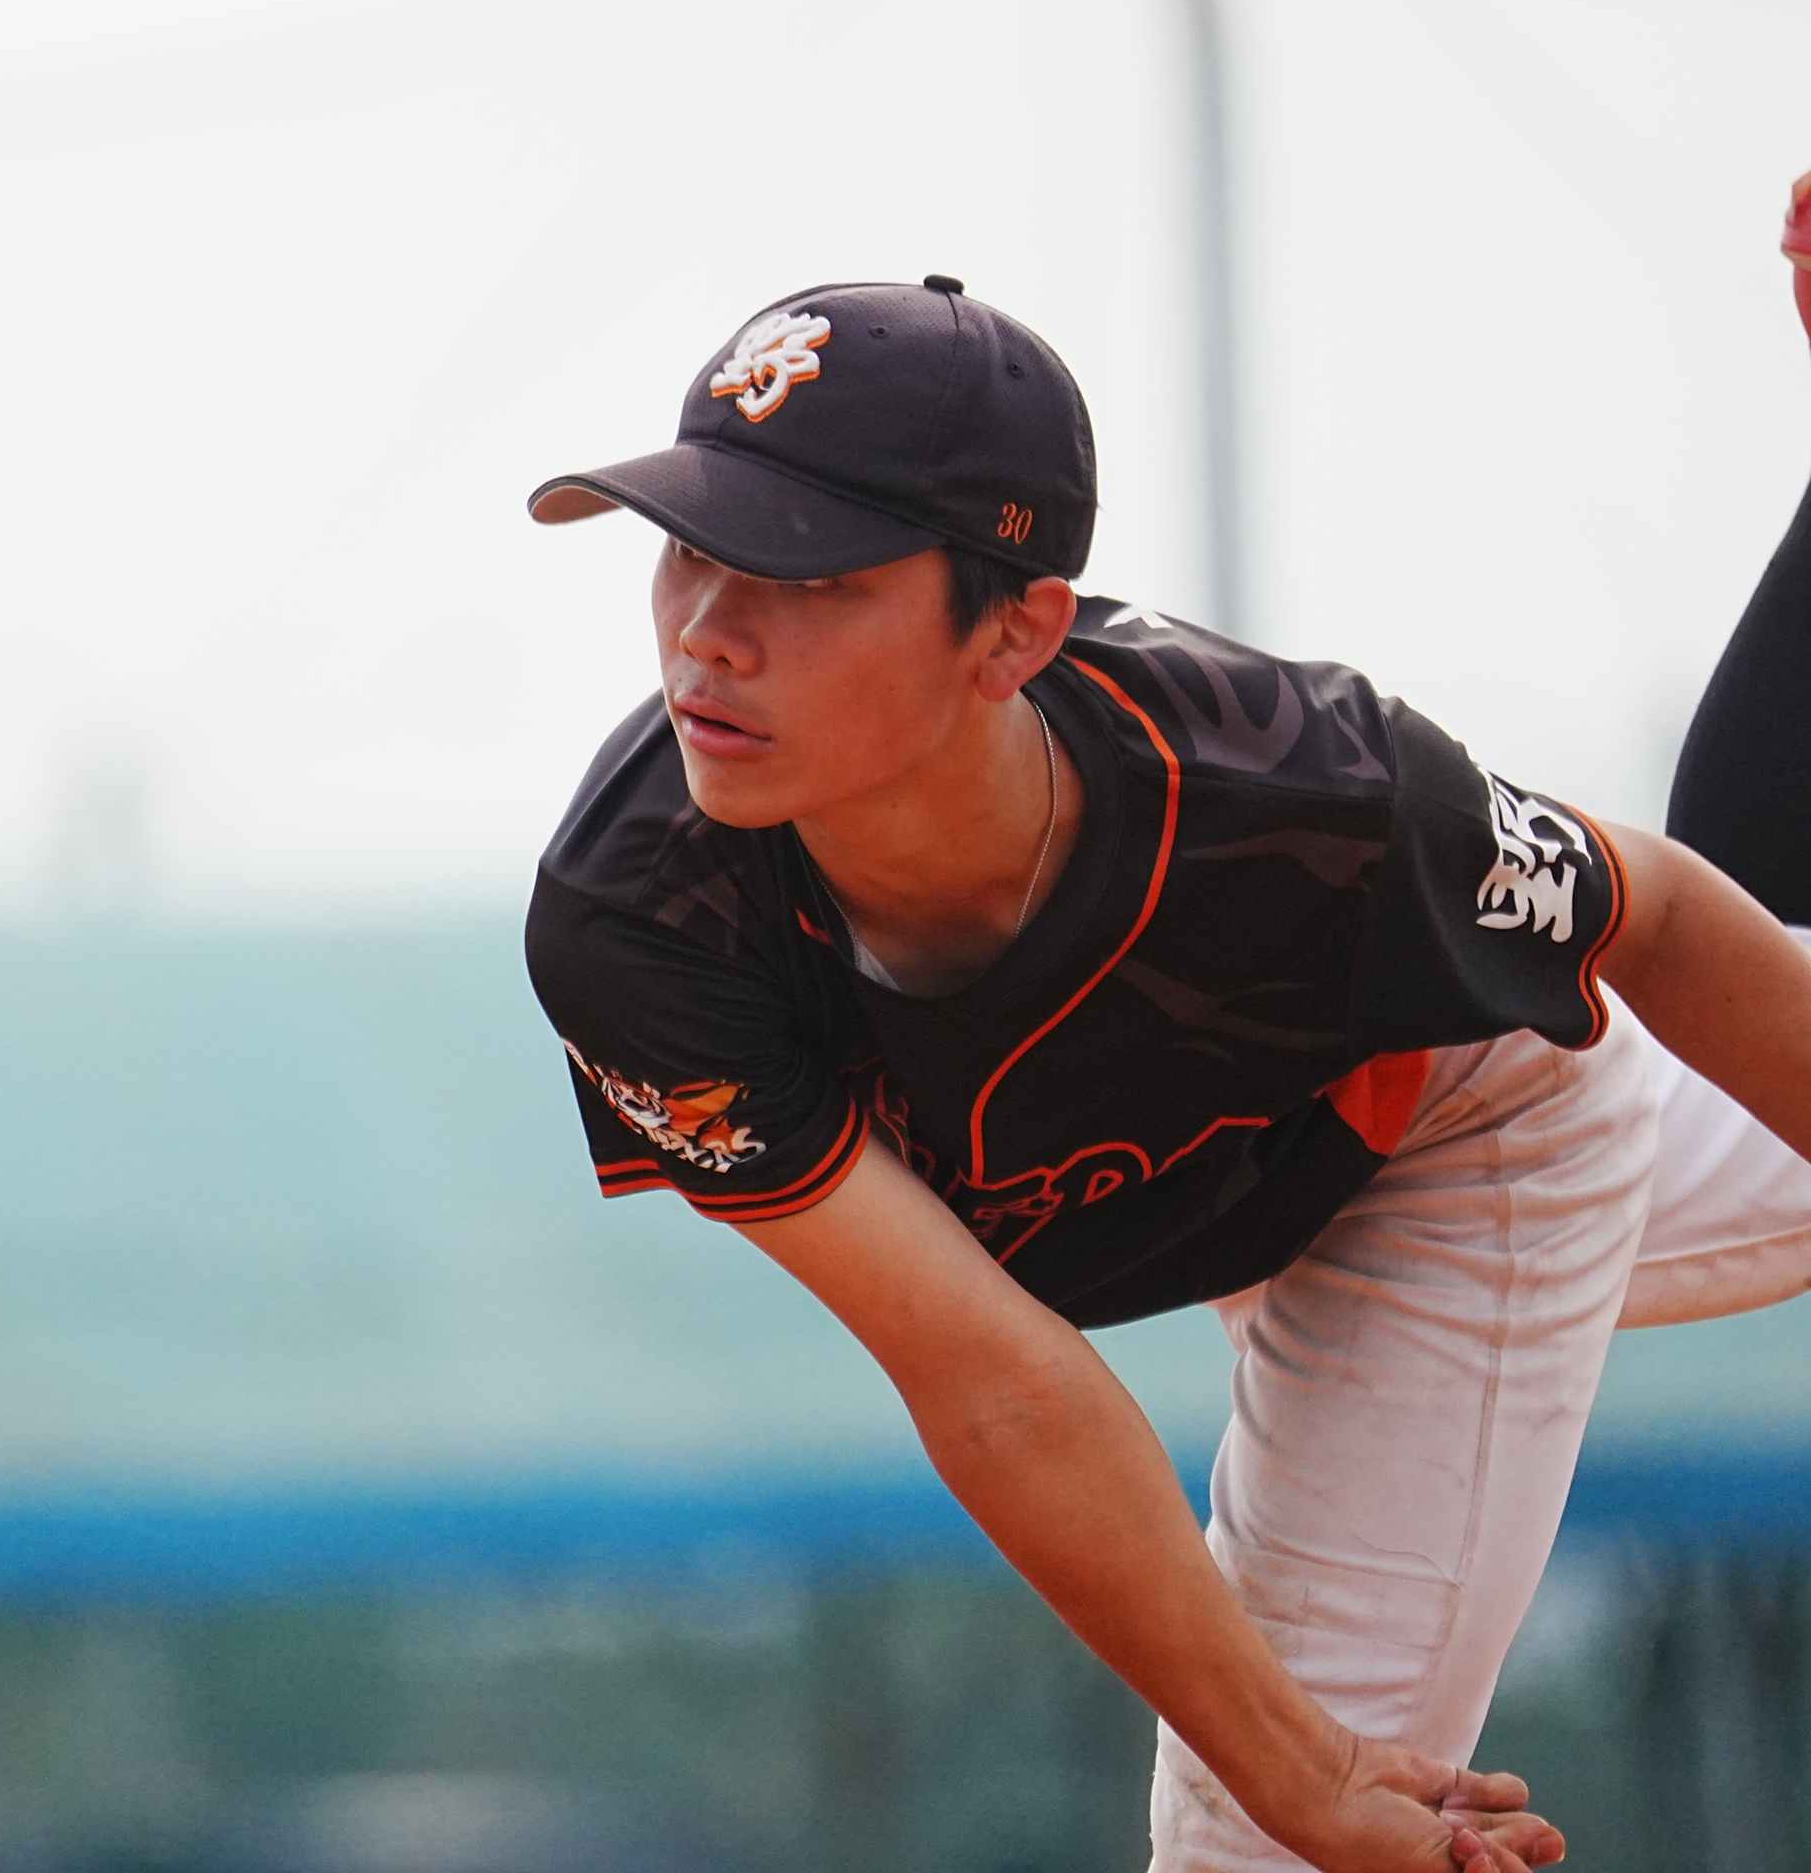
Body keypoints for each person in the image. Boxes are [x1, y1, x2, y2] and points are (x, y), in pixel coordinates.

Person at [521, 170, 1811, 1873]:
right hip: (1238, 1183)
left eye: (806, 573)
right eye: (689, 542)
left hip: (1450, 1131)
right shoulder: (643, 917)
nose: (708, 629)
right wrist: (1296, 1766)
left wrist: (1297, 1780)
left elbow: (1653, 910)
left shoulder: (1290, 793)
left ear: (1017, 629)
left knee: (1258, 1848)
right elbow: (984, 1369)